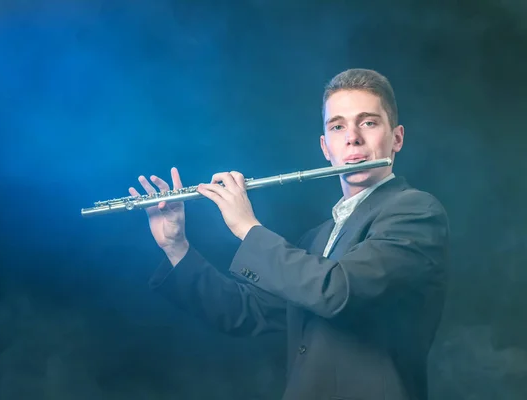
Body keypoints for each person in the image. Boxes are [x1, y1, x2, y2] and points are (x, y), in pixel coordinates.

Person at [128, 68, 449, 400]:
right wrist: (176, 247)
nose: (352, 137)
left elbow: (336, 290)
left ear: (396, 138)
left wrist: (246, 227)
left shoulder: (415, 212)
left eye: (368, 122)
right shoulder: (318, 238)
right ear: (326, 147)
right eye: (338, 126)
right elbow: (245, 312)